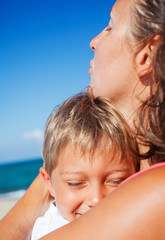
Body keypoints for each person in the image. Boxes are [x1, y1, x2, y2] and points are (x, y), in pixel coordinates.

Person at [0, 0, 165, 239]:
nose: (94, 41)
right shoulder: (143, 175)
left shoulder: (157, 192)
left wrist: (59, 177)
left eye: (110, 26)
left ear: (146, 56)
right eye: (77, 182)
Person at [31, 92, 139, 239]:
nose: (96, 199)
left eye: (117, 181)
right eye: (75, 183)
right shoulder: (50, 231)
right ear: (49, 182)